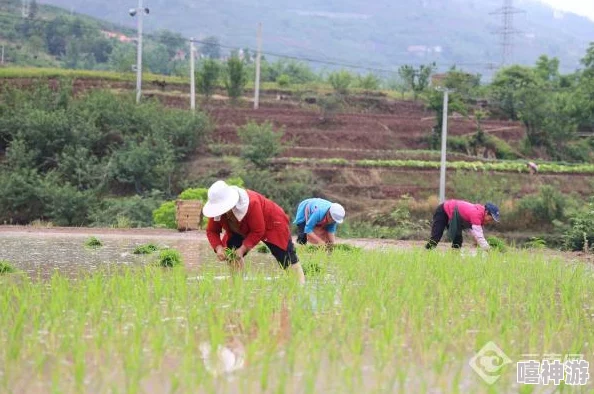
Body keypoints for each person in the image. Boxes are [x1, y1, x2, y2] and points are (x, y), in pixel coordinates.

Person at [202, 180, 305, 284]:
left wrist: (242, 250)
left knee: (285, 257)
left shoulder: (251, 203)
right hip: (239, 228)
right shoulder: (218, 212)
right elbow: (211, 231)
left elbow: (258, 231)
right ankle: (237, 285)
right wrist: (219, 248)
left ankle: (300, 286)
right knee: (232, 253)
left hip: (272, 223)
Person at [425, 199, 500, 250]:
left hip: (454, 216)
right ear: (486, 212)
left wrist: (479, 242)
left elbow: (475, 232)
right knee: (436, 237)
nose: (491, 221)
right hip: (444, 210)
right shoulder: (476, 214)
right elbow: (479, 235)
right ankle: (426, 254)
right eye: (491, 218)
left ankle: (454, 260)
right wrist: (488, 249)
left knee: (458, 239)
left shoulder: (480, 215)